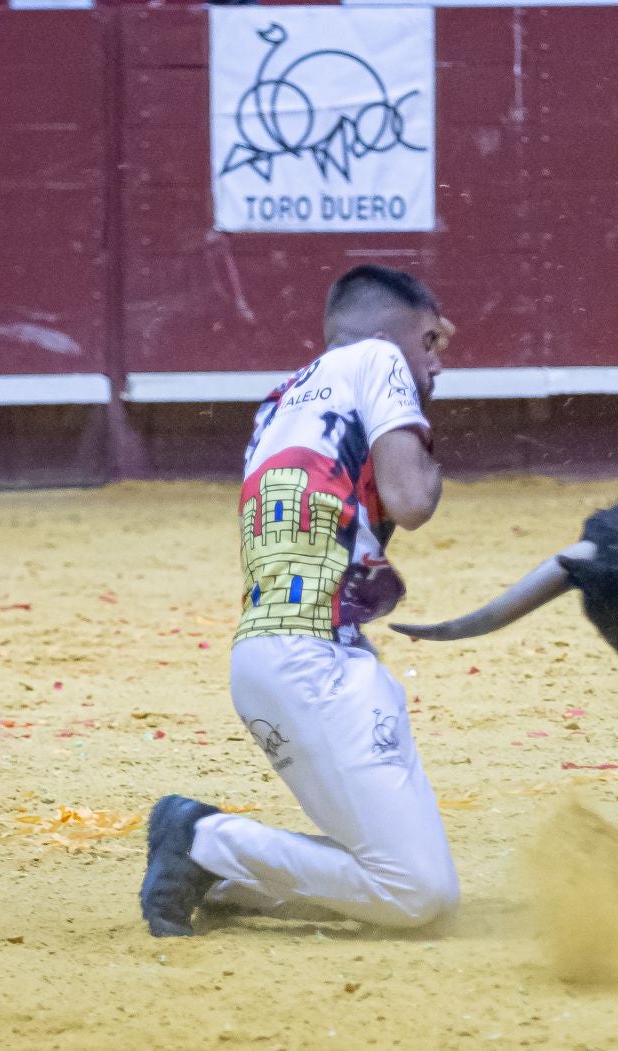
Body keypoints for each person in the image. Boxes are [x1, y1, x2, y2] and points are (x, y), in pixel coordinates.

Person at [140, 264, 458, 937]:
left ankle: (223, 875)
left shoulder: (280, 401)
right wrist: (433, 459)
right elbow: (411, 500)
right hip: (315, 665)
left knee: (424, 891)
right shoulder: (379, 360)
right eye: (431, 340)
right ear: (389, 332)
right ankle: (204, 841)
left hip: (278, 656)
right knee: (416, 893)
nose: (437, 363)